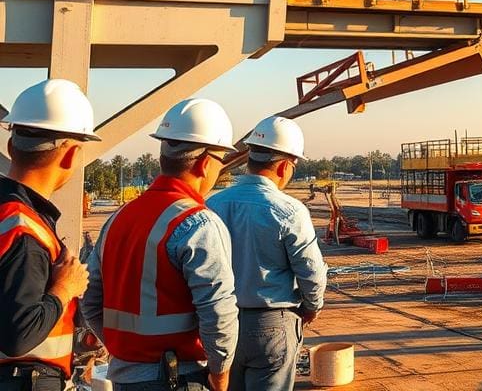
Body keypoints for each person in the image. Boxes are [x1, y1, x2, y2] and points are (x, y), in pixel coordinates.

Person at [81, 99, 239, 391]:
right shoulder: (198, 223)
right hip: (177, 377)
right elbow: (218, 311)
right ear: (206, 163)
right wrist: (220, 373)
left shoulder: (118, 218)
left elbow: (89, 299)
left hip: (124, 376)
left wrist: (126, 350)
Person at [208, 116, 327, 391]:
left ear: (250, 157)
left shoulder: (212, 204)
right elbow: (311, 272)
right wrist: (312, 306)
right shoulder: (290, 211)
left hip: (221, 323)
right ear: (285, 166)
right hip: (272, 324)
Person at [0, 80, 100, 391]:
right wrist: (63, 288)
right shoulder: (25, 228)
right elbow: (18, 335)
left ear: (10, 146)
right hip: (23, 380)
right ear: (70, 156)